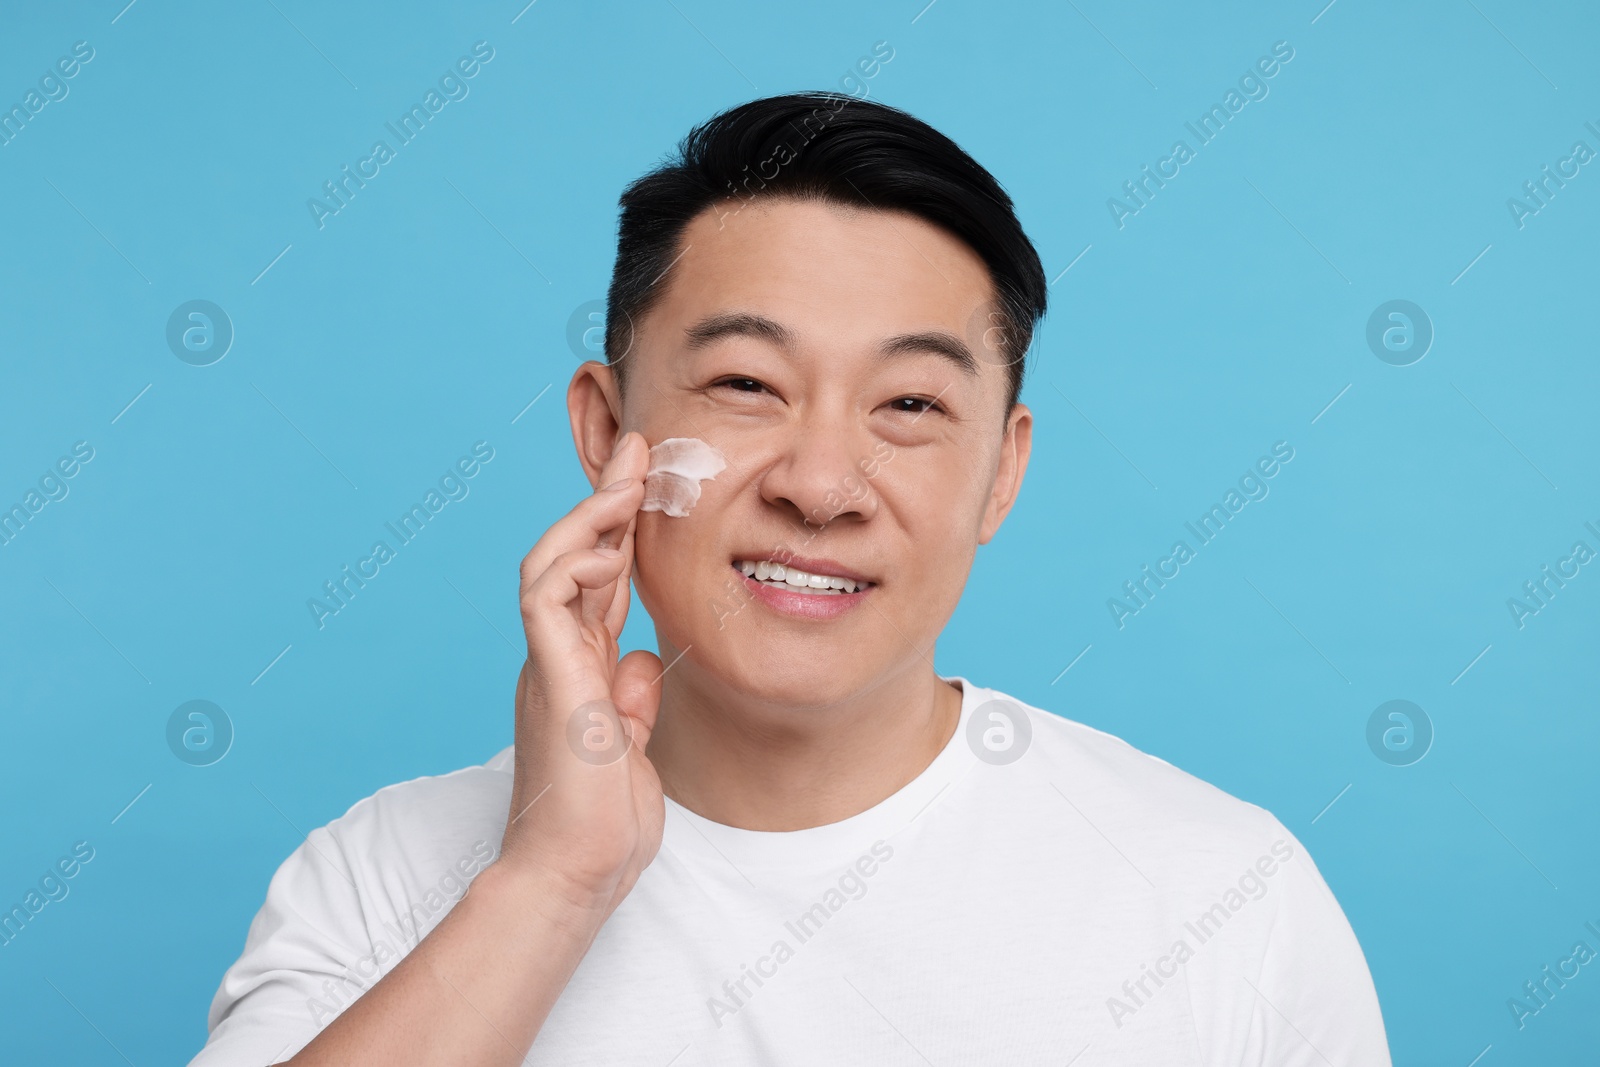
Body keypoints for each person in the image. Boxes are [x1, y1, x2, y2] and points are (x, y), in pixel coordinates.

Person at [189, 92, 1391, 1066]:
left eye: (909, 405)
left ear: (1002, 472)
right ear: (608, 430)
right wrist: (549, 880)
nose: (822, 483)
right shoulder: (383, 875)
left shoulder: (1224, 894)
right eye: (747, 385)